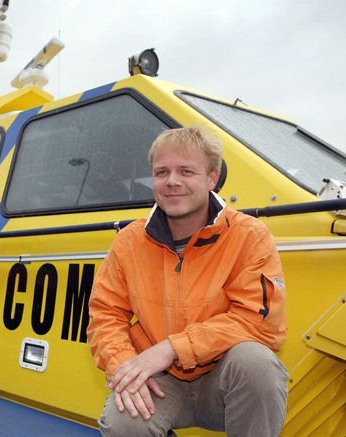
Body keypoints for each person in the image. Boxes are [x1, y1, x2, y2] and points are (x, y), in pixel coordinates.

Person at [87, 127, 288, 436]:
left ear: (211, 178)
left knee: (257, 365)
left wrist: (171, 348)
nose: (172, 182)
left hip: (222, 377)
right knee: (123, 421)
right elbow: (106, 315)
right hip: (162, 380)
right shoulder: (129, 241)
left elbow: (259, 323)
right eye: (161, 172)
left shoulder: (250, 235)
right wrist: (124, 366)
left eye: (186, 171)